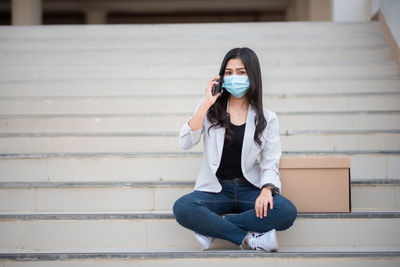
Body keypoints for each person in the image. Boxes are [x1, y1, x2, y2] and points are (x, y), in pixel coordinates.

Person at [173, 47, 297, 252]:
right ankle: (248, 239)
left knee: (286, 211)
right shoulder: (209, 109)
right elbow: (185, 142)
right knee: (183, 208)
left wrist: (267, 190)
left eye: (241, 72)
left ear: (253, 75)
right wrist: (205, 104)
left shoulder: (267, 118)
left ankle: (213, 226)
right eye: (229, 73)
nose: (234, 78)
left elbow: (270, 161)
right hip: (216, 189)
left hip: (250, 188)